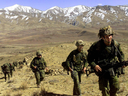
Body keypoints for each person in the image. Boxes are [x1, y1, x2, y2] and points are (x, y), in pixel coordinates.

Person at [87, 26, 125, 96]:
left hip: (113, 69)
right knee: (104, 90)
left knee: (115, 87)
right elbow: (89, 58)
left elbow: (121, 54)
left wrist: (122, 62)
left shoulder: (115, 44)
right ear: (102, 37)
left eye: (110, 35)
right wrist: (95, 65)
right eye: (106, 36)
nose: (109, 38)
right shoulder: (96, 46)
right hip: (102, 70)